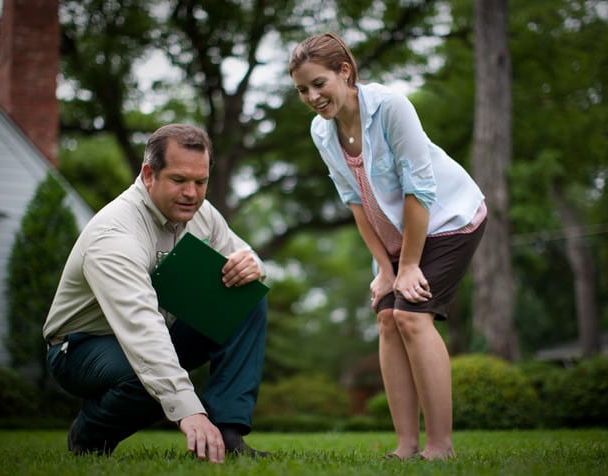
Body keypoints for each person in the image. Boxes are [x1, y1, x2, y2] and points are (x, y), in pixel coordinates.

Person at [289, 32, 487, 461]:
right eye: (302, 89)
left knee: (413, 319)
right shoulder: (322, 132)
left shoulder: (391, 107)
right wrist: (385, 267)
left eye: (318, 83)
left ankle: (440, 447)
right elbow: (356, 203)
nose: (312, 96)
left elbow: (420, 190)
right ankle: (406, 446)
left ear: (345, 72)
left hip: (448, 219)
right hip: (396, 235)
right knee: (386, 321)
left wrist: (411, 265)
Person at [43, 124, 270, 463]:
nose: (192, 193)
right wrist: (189, 411)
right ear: (149, 175)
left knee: (245, 295)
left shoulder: (201, 213)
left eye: (200, 182)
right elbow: (143, 332)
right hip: (79, 347)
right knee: (148, 377)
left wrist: (253, 265)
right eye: (179, 180)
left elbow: (242, 253)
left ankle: (228, 433)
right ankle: (87, 435)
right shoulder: (115, 235)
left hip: (157, 332)